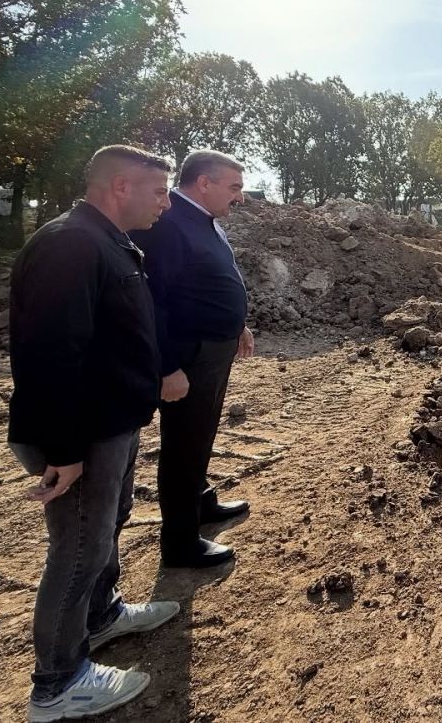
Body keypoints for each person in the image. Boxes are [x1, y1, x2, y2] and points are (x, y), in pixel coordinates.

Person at [9, 145, 181, 721]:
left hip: (113, 422)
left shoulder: (108, 241)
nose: (166, 203)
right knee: (78, 549)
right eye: (159, 191)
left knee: (107, 527)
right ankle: (58, 685)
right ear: (120, 187)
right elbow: (51, 355)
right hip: (82, 432)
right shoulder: (71, 244)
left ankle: (101, 617)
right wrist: (64, 449)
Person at [130, 149, 253, 569]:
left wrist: (237, 324)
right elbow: (153, 301)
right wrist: (167, 365)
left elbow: (209, 281)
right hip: (189, 354)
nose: (240, 196)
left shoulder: (203, 221)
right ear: (204, 182)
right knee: (183, 445)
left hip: (214, 348)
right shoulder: (169, 226)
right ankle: (180, 543)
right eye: (234, 187)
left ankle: (201, 504)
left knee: (201, 435)